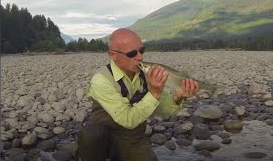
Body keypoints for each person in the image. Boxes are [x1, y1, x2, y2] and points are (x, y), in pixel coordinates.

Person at [78, 28, 200, 161]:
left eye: (141, 50)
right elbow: (127, 119)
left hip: (132, 138)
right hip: (104, 137)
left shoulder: (146, 75)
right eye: (131, 53)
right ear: (113, 55)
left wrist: (178, 96)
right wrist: (154, 93)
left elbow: (163, 110)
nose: (140, 57)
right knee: (91, 134)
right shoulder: (101, 80)